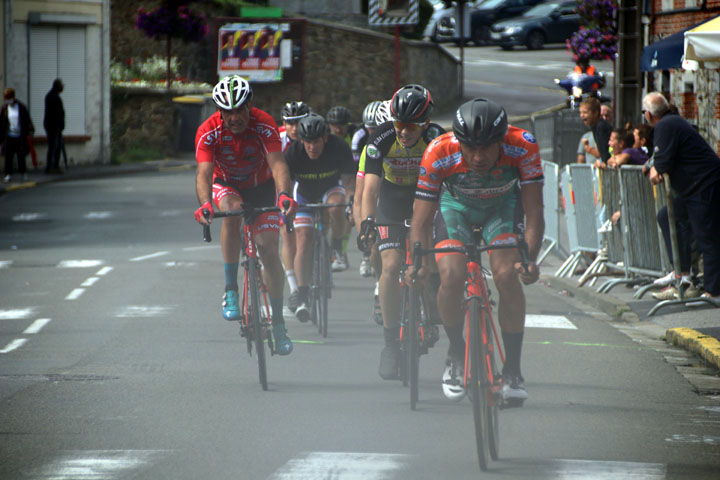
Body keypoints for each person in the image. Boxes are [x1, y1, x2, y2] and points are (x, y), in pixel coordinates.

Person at [407, 98, 543, 402]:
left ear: (502, 141)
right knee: (451, 276)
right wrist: (416, 262)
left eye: (487, 148)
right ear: (458, 141)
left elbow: (534, 210)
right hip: (456, 209)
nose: (478, 156)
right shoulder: (438, 151)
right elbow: (421, 218)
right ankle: (456, 350)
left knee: (507, 276)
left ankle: (513, 369)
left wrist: (530, 260)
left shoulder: (523, 146)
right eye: (470, 148)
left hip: (502, 208)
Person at [193, 75, 297, 355]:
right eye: (227, 111)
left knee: (268, 250)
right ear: (219, 111)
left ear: (249, 106)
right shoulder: (208, 130)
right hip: (227, 185)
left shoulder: (264, 125)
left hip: (262, 186)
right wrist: (205, 204)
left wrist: (285, 194)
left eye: (239, 110)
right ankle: (230, 290)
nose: (234, 117)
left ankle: (277, 323)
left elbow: (278, 165)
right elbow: (203, 173)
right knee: (232, 211)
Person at [358, 84, 445, 380]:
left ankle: (432, 306)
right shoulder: (381, 138)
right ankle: (391, 345)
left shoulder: (438, 138)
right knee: (392, 266)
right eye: (398, 124)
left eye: (410, 126)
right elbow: (370, 187)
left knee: (433, 260)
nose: (403, 131)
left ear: (425, 124)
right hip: (393, 201)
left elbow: (451, 184)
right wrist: (368, 220)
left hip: (426, 197)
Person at [644, 92, 720, 303]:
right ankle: (683, 273)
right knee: (667, 216)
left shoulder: (665, 126)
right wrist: (653, 165)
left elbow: (663, 161)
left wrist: (655, 168)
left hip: (703, 185)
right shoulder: (671, 123)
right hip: (693, 188)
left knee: (707, 236)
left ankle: (713, 291)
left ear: (649, 115)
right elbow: (660, 158)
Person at [284, 113, 355, 321]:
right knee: (303, 239)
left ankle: (336, 245)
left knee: (336, 207)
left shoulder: (339, 147)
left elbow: (349, 182)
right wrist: (285, 203)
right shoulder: (293, 152)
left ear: (325, 138)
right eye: (307, 143)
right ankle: (302, 293)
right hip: (304, 194)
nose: (311, 147)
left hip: (330, 188)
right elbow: (286, 185)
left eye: (316, 142)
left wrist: (351, 200)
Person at [278, 101, 311, 313]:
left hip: (309, 186)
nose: (294, 127)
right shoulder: (277, 140)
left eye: (299, 122)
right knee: (288, 234)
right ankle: (293, 288)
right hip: (283, 189)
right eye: (290, 123)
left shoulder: (314, 136)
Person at [353, 100, 385, 278]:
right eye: (370, 129)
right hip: (375, 195)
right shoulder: (366, 147)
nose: (373, 133)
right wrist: (363, 231)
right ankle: (381, 283)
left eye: (377, 128)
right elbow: (360, 198)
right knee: (377, 249)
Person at [326, 105, 356, 271]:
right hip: (331, 178)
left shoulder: (354, 136)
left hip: (350, 177)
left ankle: (340, 251)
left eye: (342, 124)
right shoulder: (325, 139)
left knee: (347, 211)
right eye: (334, 125)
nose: (338, 128)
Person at [1, 88, 34, 183]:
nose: (8, 100)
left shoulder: (21, 107)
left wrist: (30, 131)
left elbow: (27, 120)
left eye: (9, 98)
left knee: (21, 156)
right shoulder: (5, 108)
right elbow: (2, 122)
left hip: (20, 136)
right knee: (8, 157)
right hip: (9, 136)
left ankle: (23, 173)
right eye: (6, 98)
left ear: (13, 97)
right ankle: (8, 174)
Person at [579, 97, 611, 165]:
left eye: (585, 112)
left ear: (595, 113)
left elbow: (605, 150)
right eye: (581, 112)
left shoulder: (601, 127)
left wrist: (604, 162)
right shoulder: (595, 127)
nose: (582, 115)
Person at [44, 78, 65, 174]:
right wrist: (60, 125)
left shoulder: (50, 96)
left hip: (51, 126)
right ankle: (52, 166)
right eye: (61, 85)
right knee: (54, 147)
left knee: (55, 146)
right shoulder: (54, 97)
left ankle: (52, 166)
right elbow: (57, 113)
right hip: (54, 126)